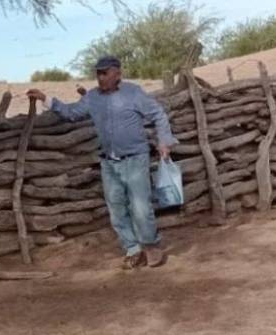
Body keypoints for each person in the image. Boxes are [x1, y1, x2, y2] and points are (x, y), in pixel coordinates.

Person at [27, 55, 178, 269]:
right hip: (109, 163)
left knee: (141, 207)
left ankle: (151, 246)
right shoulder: (92, 98)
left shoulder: (133, 93)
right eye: (98, 73)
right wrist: (46, 99)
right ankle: (132, 249)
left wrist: (164, 141)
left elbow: (158, 115)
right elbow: (71, 113)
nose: (100, 77)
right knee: (116, 208)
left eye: (105, 72)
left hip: (135, 159)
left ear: (118, 73)